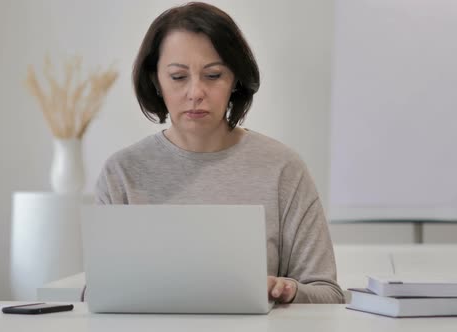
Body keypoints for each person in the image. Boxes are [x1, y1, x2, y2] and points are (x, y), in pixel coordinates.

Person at [94, 2, 345, 304]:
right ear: (155, 81)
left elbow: (328, 293)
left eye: (213, 76)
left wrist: (287, 291)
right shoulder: (121, 173)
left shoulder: (282, 168)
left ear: (235, 80)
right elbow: (100, 294)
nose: (196, 92)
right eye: (178, 77)